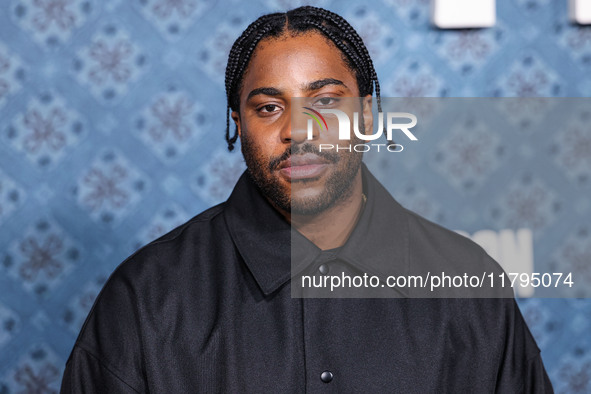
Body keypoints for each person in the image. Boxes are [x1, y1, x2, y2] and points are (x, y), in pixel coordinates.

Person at [60, 6, 553, 393]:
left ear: (366, 114)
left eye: (324, 100)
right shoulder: (146, 298)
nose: (299, 130)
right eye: (269, 107)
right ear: (237, 125)